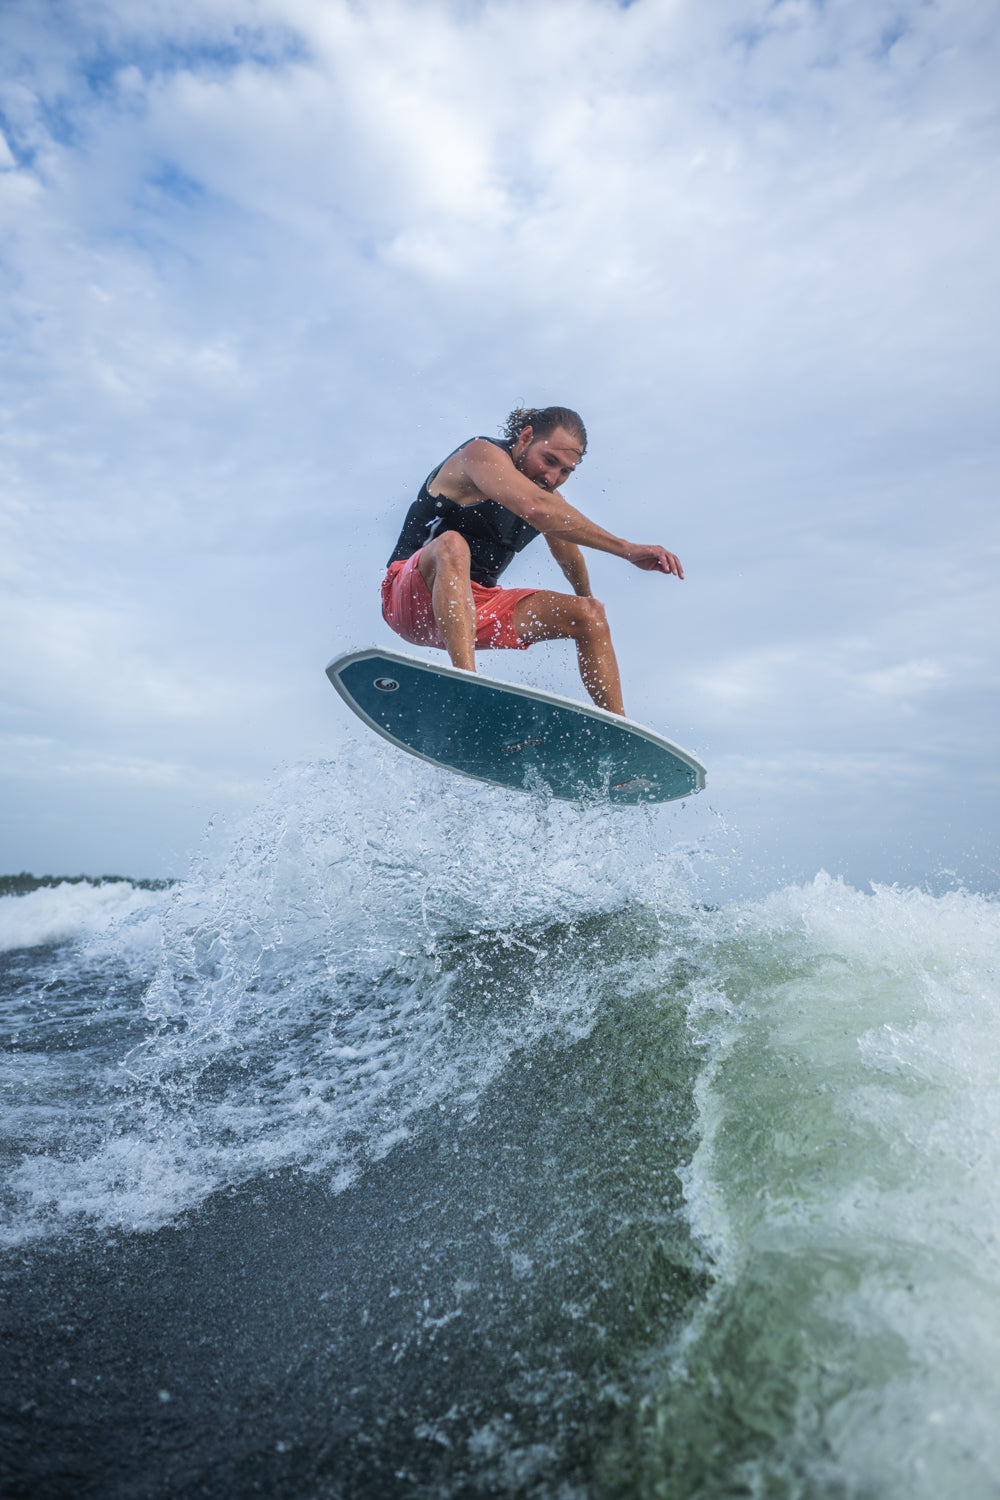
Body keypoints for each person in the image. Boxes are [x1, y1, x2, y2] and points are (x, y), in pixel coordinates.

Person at [381, 406, 683, 716]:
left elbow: (569, 560)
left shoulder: (548, 502)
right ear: (525, 437)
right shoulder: (479, 454)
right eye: (549, 461)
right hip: (409, 598)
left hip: (474, 611)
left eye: (566, 471)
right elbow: (536, 508)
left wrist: (587, 615)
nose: (553, 477)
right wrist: (626, 549)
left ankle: (618, 733)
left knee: (591, 614)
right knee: (452, 545)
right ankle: (467, 686)